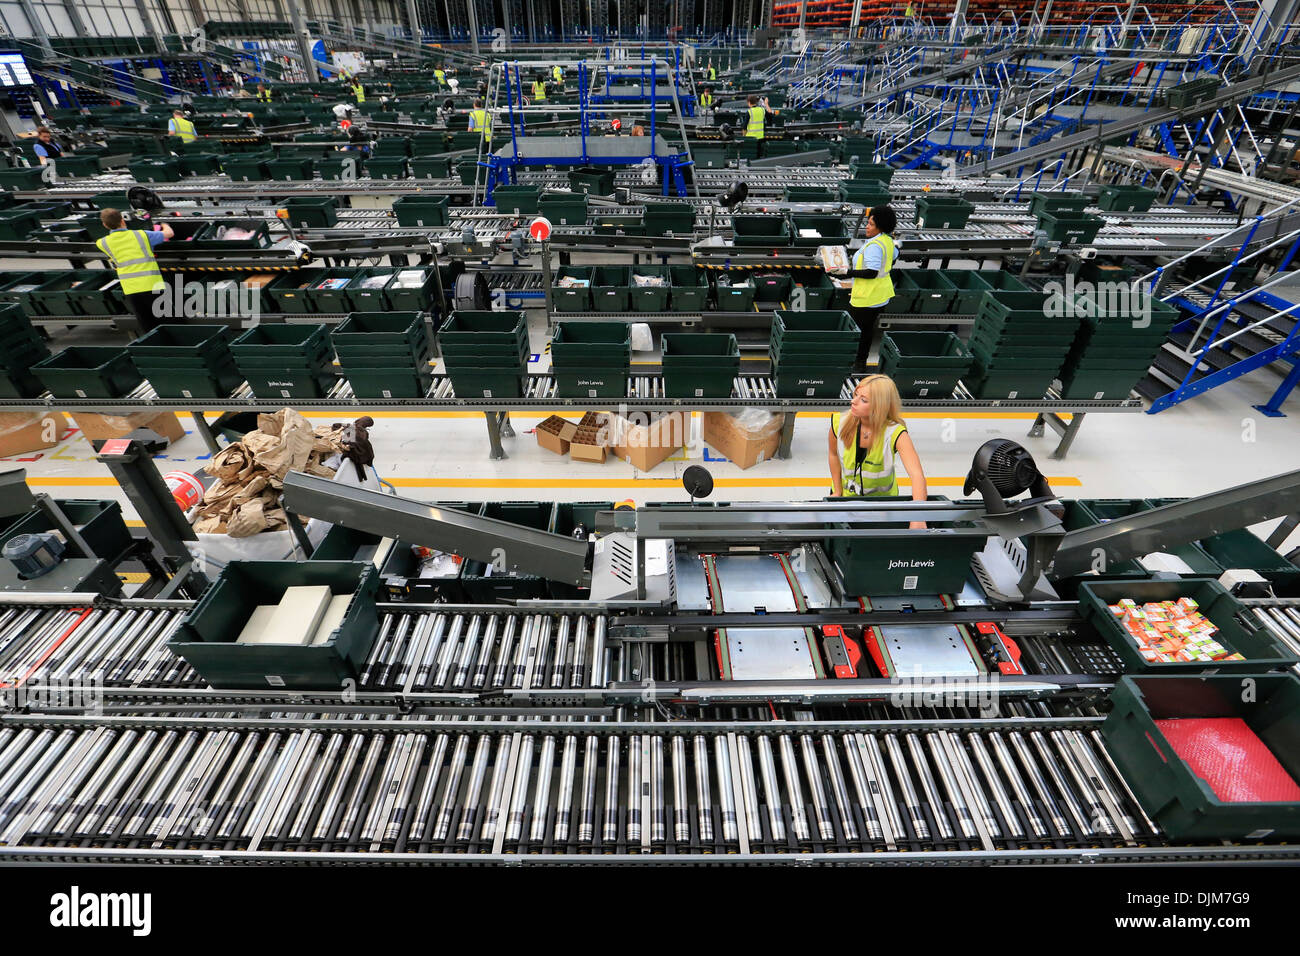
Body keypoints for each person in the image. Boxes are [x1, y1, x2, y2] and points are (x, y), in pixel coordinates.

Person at [828, 374, 928, 526]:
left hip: (883, 505)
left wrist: (918, 516)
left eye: (863, 400)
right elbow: (833, 454)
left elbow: (917, 476)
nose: (853, 401)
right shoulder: (838, 422)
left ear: (879, 406)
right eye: (856, 395)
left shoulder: (896, 433)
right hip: (846, 499)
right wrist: (837, 491)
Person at [831, 204, 898, 371]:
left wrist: (847, 273)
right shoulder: (887, 240)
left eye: (871, 224)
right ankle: (860, 362)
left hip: (867, 297)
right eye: (867, 222)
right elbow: (895, 255)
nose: (867, 227)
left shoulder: (875, 246)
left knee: (856, 332)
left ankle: (855, 363)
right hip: (880, 295)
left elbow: (872, 272)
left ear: (880, 227)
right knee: (867, 330)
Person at [95, 209, 173, 334]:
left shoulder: (102, 243)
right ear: (122, 220)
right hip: (152, 285)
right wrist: (164, 223)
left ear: (104, 225)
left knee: (148, 326)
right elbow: (169, 234)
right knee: (169, 322)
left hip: (131, 289)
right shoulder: (141, 235)